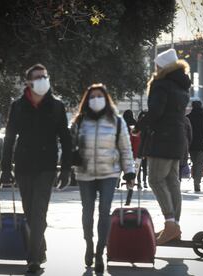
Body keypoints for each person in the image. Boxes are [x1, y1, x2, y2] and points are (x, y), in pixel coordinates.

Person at [0, 64, 72, 273]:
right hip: (23, 166)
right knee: (30, 212)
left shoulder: (57, 106)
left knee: (39, 211)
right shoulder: (18, 106)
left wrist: (66, 169)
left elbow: (66, 139)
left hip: (46, 167)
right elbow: (9, 137)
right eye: (37, 77)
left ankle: (33, 260)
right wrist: (5, 168)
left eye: (45, 76)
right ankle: (39, 248)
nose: (42, 80)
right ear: (28, 83)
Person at [71, 83, 135, 273]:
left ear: (106, 99)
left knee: (104, 210)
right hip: (85, 173)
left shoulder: (116, 121)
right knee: (87, 211)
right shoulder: (79, 121)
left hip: (109, 173)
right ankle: (89, 243)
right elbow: (69, 146)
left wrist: (129, 172)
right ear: (87, 100)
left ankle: (100, 251)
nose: (96, 99)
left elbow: (125, 149)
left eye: (99, 96)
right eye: (92, 96)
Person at [137, 48, 190, 245]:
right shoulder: (182, 86)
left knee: (155, 179)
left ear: (163, 67)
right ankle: (174, 224)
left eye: (157, 66)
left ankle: (170, 225)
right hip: (178, 138)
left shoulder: (161, 85)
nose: (155, 69)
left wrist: (139, 126)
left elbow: (156, 112)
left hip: (162, 140)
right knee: (172, 181)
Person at [186, 100, 203, 192]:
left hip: (191, 145)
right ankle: (197, 182)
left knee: (194, 163)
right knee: (200, 164)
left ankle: (195, 180)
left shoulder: (188, 117)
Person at [180, 116, 193, 180]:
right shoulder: (185, 119)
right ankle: (178, 181)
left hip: (169, 147)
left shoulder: (166, 118)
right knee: (180, 165)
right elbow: (190, 134)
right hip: (183, 145)